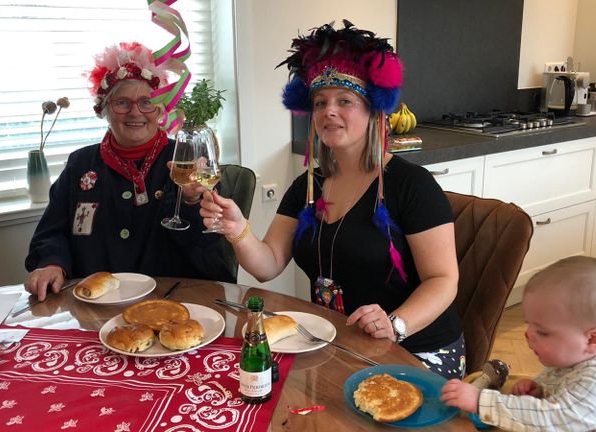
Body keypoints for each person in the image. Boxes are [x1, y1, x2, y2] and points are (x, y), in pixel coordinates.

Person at [199, 20, 465, 379]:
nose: (329, 111)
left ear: (374, 110)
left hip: (415, 348)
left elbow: (443, 278)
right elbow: (268, 264)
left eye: (345, 101)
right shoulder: (308, 185)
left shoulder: (412, 185)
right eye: (320, 102)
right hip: (337, 341)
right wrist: (238, 229)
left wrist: (396, 324)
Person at [25, 42, 234, 301]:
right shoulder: (80, 163)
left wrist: (191, 201)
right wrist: (52, 263)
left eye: (147, 102)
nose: (135, 112)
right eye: (122, 102)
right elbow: (51, 231)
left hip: (174, 303)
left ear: (160, 110)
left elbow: (210, 251)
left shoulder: (187, 162)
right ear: (104, 109)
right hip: (95, 303)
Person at [440, 256, 596, 431]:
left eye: (543, 332)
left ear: (592, 340)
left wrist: (480, 401)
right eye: (529, 324)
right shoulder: (578, 354)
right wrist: (542, 390)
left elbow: (548, 421)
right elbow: (563, 394)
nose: (528, 334)